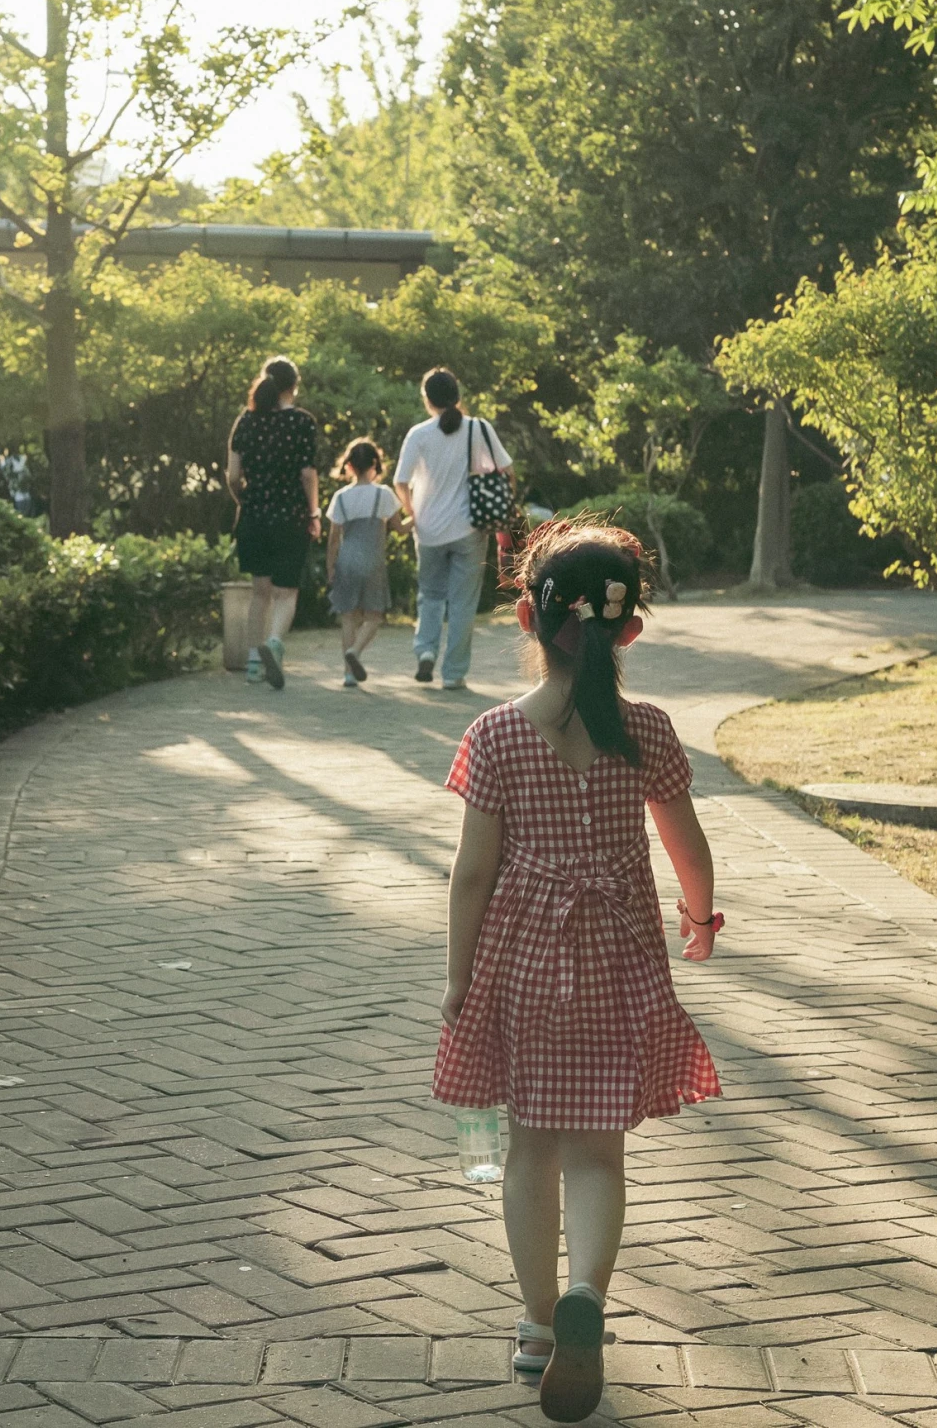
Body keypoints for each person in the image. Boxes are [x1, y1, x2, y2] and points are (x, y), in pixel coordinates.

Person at [432, 520, 725, 1423]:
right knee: (598, 1148)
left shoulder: (495, 735)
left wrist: (456, 979)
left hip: (522, 961)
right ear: (629, 629)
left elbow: (472, 872)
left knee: (530, 1148)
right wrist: (699, 918)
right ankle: (586, 1302)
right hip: (619, 957)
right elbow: (687, 845)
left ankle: (533, 1323)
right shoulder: (646, 729)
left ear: (524, 616)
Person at [393, 367, 512, 691]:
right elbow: (507, 471)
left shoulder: (418, 434)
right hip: (469, 530)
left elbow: (400, 481)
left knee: (429, 596)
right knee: (462, 603)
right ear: (457, 396)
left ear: (427, 399)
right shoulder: (478, 428)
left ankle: (426, 650)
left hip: (428, 531)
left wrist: (412, 511)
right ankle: (453, 674)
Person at [226, 357, 323, 689]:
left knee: (259, 593)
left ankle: (254, 663)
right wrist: (313, 512)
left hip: (253, 517)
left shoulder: (247, 421)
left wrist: (245, 502)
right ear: (294, 385)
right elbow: (308, 473)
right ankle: (275, 642)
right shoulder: (302, 422)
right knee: (286, 591)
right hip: (290, 516)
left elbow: (234, 475)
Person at [324, 440, 408, 688]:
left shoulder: (340, 497)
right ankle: (356, 651)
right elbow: (400, 529)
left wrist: (331, 568)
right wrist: (416, 518)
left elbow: (333, 540)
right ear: (375, 464)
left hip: (347, 560)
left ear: (348, 466)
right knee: (374, 616)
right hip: (372, 561)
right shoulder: (383, 494)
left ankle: (348, 673)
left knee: (348, 618)